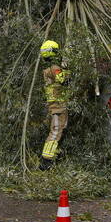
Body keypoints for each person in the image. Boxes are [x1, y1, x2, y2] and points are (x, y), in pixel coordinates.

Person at [39, 40, 69, 170]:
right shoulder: (55, 68)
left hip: (55, 105)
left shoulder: (46, 70)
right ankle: (46, 160)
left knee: (60, 129)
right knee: (56, 131)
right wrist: (67, 70)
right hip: (58, 106)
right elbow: (64, 81)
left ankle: (56, 154)